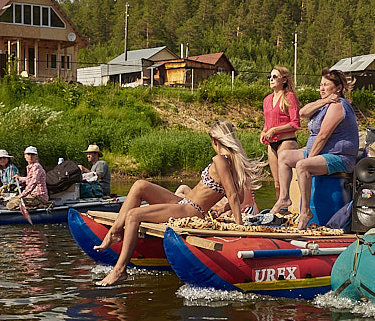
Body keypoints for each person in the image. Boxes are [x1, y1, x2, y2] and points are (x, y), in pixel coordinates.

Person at [94, 120, 264, 286]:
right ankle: (115, 232)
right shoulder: (232, 163)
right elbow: (239, 198)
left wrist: (238, 228)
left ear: (214, 140)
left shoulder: (220, 160)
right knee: (140, 185)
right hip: (184, 203)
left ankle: (119, 270)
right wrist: (221, 209)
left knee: (133, 215)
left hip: (190, 210)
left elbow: (233, 196)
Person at [269, 68, 359, 229]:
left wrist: (309, 159)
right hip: (320, 153)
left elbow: (323, 136)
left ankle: (305, 212)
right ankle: (284, 198)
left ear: (338, 88)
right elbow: (302, 112)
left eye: (326, 85)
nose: (321, 88)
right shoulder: (326, 104)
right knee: (284, 157)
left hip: (339, 156)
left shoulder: (338, 105)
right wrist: (324, 100)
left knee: (303, 166)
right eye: (320, 85)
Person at [260, 66, 301, 195]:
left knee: (284, 183)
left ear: (284, 79)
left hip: (286, 141)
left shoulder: (289, 97)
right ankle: (280, 210)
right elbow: (267, 123)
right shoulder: (267, 100)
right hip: (271, 143)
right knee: (276, 183)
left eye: (274, 77)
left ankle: (286, 207)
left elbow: (295, 123)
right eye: (269, 77)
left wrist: (275, 130)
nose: (271, 79)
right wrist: (264, 132)